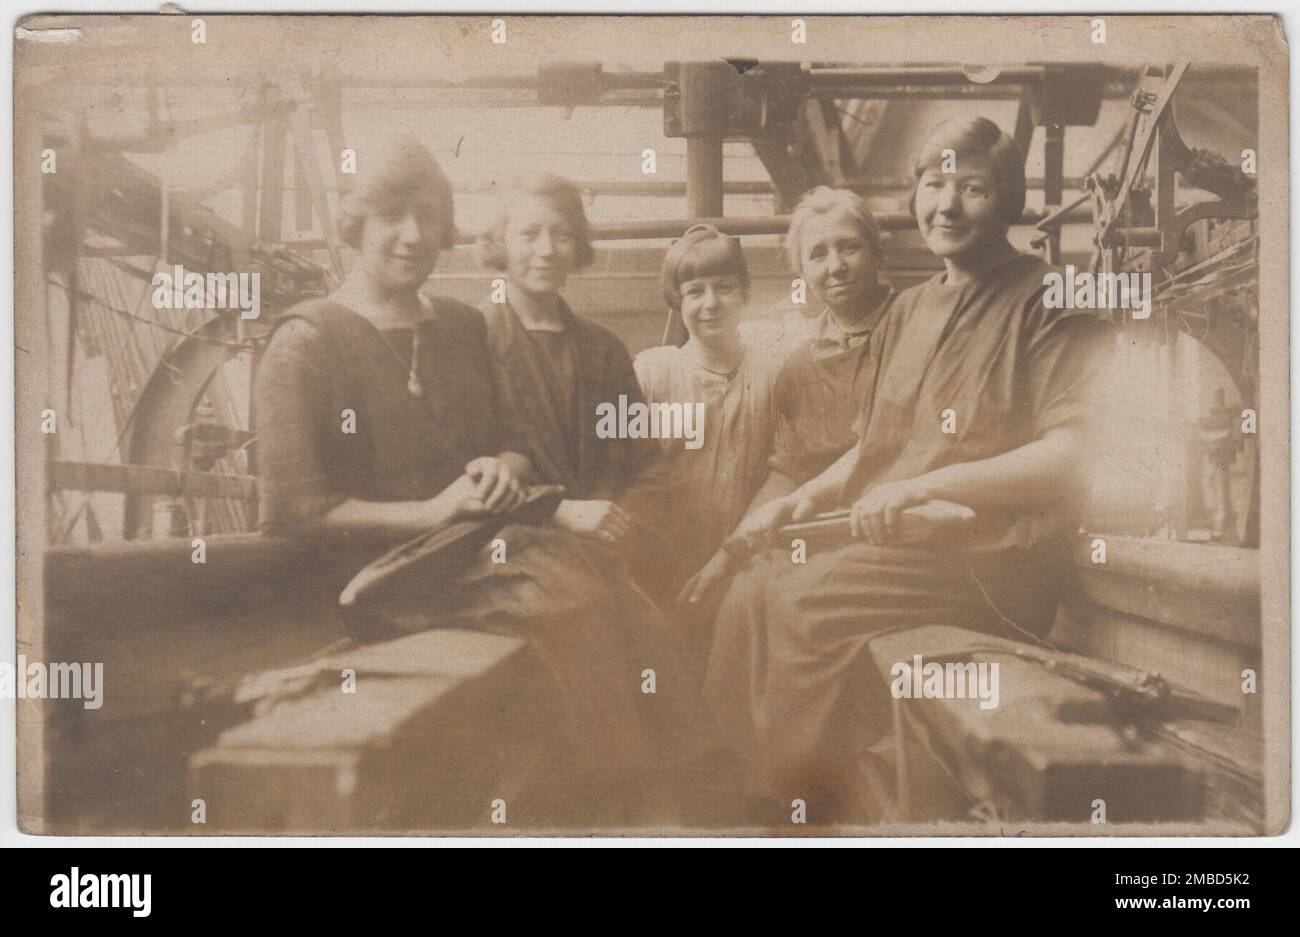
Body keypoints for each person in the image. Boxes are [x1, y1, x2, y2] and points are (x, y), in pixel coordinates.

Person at [254, 136, 691, 820]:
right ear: (354, 224)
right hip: (372, 580)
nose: (414, 235)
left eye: (429, 216)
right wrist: (433, 511)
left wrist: (498, 470)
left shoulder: (459, 326)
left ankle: (636, 807)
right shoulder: (306, 342)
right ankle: (612, 808)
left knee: (620, 608)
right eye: (393, 216)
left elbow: (513, 444)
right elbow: (292, 511)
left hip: (472, 559)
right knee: (576, 609)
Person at [701, 118, 1115, 822]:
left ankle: (812, 808)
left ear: (1008, 199)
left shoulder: (1056, 298)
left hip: (992, 558)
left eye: (973, 187)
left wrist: (925, 485)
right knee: (751, 589)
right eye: (933, 184)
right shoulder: (911, 310)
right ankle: (751, 793)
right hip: (906, 549)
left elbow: (1068, 458)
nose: (946, 205)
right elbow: (872, 451)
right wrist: (793, 502)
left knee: (803, 597)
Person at [680, 187, 896, 605]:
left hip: (892, 526)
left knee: (789, 599)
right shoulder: (801, 365)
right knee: (744, 591)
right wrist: (728, 554)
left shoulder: (914, 324)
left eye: (850, 247)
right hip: (823, 530)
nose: (836, 266)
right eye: (817, 255)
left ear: (877, 252)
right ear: (800, 269)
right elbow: (787, 471)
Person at [477, 172, 655, 548]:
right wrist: (554, 511)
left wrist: (616, 523)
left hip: (606, 541)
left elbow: (644, 464)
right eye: (529, 234)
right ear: (501, 243)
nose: (547, 250)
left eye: (562, 234)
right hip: (506, 543)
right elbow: (458, 475)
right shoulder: (471, 341)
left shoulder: (604, 350)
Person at [628, 224, 781, 619]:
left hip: (744, 566)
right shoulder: (651, 374)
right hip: (661, 571)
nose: (710, 303)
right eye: (695, 292)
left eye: (724, 287)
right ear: (677, 302)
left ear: (745, 293)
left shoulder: (774, 375)